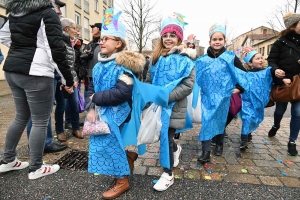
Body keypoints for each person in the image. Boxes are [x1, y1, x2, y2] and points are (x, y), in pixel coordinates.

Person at [0, 0, 74, 179]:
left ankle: (8, 160)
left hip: (12, 69)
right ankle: (36, 167)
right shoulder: (47, 13)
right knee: (40, 120)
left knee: (21, 116)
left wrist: (21, 50)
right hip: (36, 72)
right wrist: (68, 79)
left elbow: (3, 36)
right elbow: (56, 49)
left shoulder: (16, 12)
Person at [85, 8, 145, 199]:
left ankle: (122, 180)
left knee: (108, 139)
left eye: (106, 39)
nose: (101, 42)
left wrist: (96, 99)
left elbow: (122, 93)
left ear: (118, 43)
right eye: (101, 39)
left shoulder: (125, 66)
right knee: (99, 138)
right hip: (102, 108)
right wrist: (91, 106)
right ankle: (127, 157)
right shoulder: (98, 65)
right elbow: (91, 88)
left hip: (120, 109)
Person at [145, 12, 195, 191]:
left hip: (174, 107)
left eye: (172, 35)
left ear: (179, 38)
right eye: (165, 35)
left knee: (165, 137)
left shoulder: (185, 60)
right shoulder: (155, 59)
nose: (168, 38)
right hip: (157, 106)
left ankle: (168, 173)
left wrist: (166, 96)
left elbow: (188, 85)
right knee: (163, 136)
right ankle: (175, 149)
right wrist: (149, 96)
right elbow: (149, 80)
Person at [195, 24, 246, 161]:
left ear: (224, 41)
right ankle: (205, 152)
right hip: (207, 97)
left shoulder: (231, 58)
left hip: (224, 97)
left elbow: (242, 74)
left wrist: (240, 88)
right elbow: (195, 76)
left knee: (220, 120)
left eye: (220, 39)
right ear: (210, 41)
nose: (217, 42)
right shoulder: (202, 60)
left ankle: (219, 143)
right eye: (214, 39)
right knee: (207, 121)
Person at [25, 0, 68, 153]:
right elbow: (55, 52)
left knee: (37, 111)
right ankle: (43, 145)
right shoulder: (44, 22)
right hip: (43, 72)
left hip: (36, 71)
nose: (60, 12)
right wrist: (67, 78)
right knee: (42, 111)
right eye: (57, 7)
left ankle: (38, 144)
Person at [267, 12, 300, 156]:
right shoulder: (280, 42)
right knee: (280, 111)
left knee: (298, 113)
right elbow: (271, 61)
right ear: (293, 26)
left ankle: (292, 141)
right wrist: (277, 72)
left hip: (299, 83)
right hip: (283, 83)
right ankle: (276, 125)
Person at [238, 47, 273, 149]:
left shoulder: (267, 72)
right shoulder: (246, 74)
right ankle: (243, 140)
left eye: (261, 58)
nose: (261, 60)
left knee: (255, 119)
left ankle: (248, 132)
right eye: (257, 59)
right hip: (247, 100)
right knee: (247, 117)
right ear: (250, 63)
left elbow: (274, 76)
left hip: (259, 102)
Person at [55, 18, 82, 142]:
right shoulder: (59, 41)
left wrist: (74, 80)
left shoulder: (73, 43)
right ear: (66, 29)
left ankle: (76, 128)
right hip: (62, 81)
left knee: (74, 105)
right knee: (61, 106)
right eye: (74, 28)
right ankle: (60, 131)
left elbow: (71, 66)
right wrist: (63, 82)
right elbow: (59, 63)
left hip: (72, 80)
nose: (77, 32)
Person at [81, 22, 102, 99]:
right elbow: (82, 59)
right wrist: (84, 56)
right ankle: (88, 109)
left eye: (94, 28)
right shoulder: (89, 44)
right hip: (89, 74)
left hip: (99, 74)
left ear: (99, 29)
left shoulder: (103, 43)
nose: (91, 31)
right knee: (88, 94)